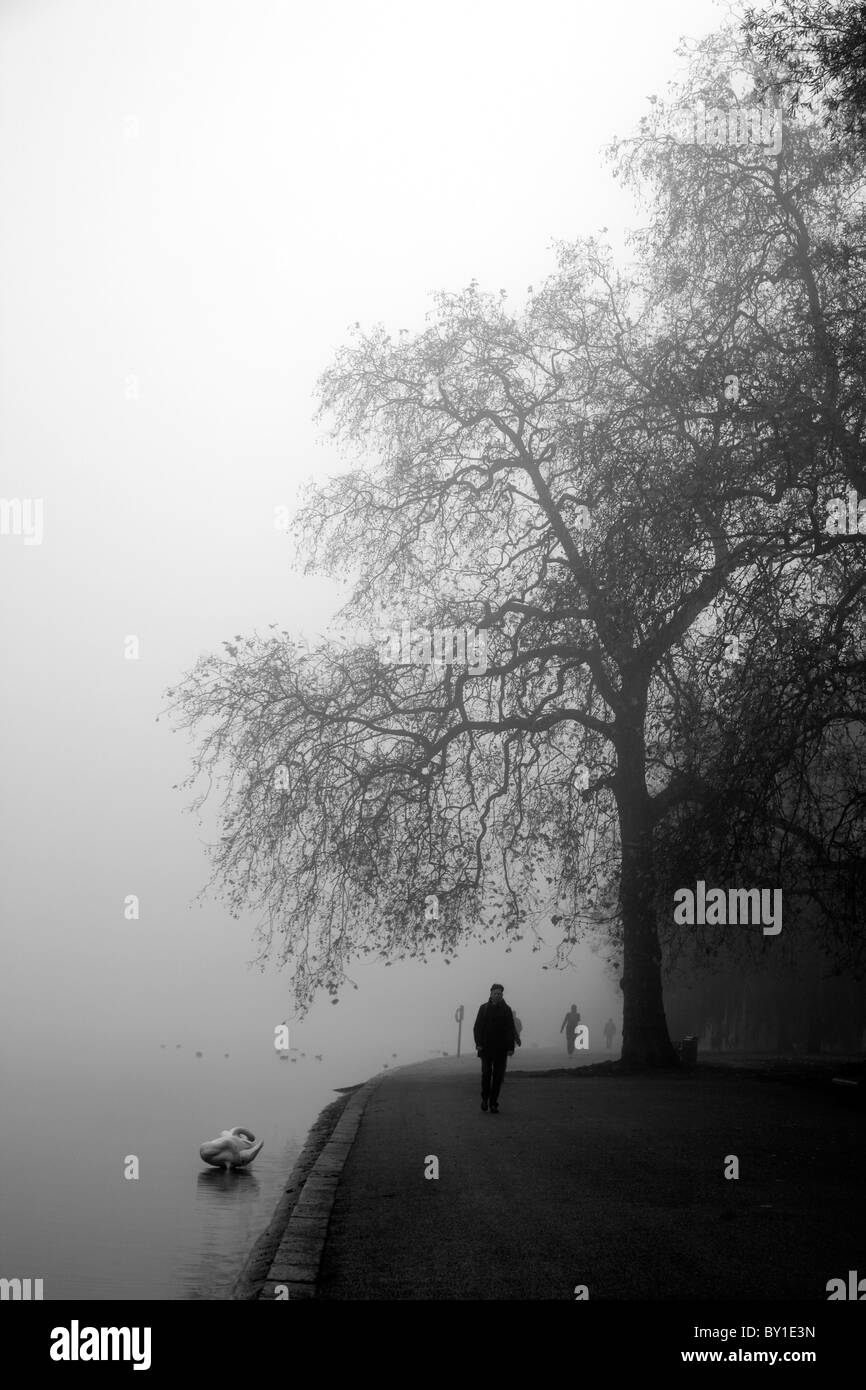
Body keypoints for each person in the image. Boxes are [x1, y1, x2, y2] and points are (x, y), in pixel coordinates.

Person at [473, 983, 520, 1113]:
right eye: (495, 993)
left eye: (499, 993)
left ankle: (494, 1103)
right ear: (491, 994)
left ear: (502, 995)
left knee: (498, 1077)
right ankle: (485, 1099)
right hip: (485, 1048)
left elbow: (510, 1029)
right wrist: (478, 1043)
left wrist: (511, 1047)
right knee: (486, 1075)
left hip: (501, 1049)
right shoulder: (483, 1009)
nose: (497, 995)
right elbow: (477, 1028)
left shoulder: (507, 1009)